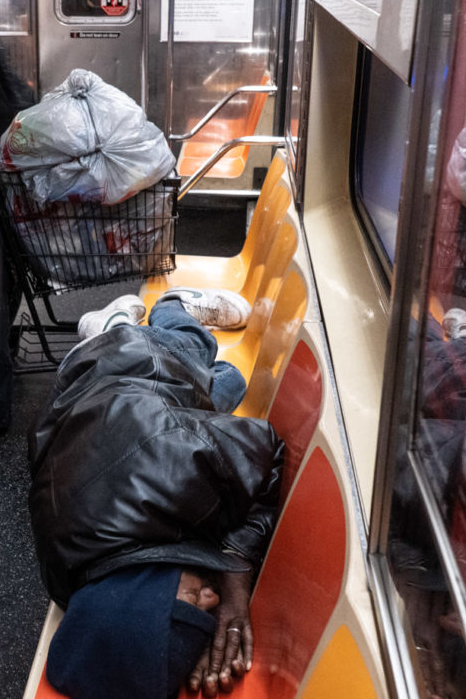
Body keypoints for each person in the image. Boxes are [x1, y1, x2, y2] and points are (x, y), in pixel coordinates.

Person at [28, 287, 285, 698]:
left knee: (214, 363)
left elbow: (268, 449)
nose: (208, 596)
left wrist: (237, 566)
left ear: (142, 594)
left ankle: (170, 307)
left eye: (188, 602)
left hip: (144, 361)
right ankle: (106, 326)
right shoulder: (71, 582)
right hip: (74, 403)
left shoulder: (177, 460)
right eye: (205, 608)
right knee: (222, 390)